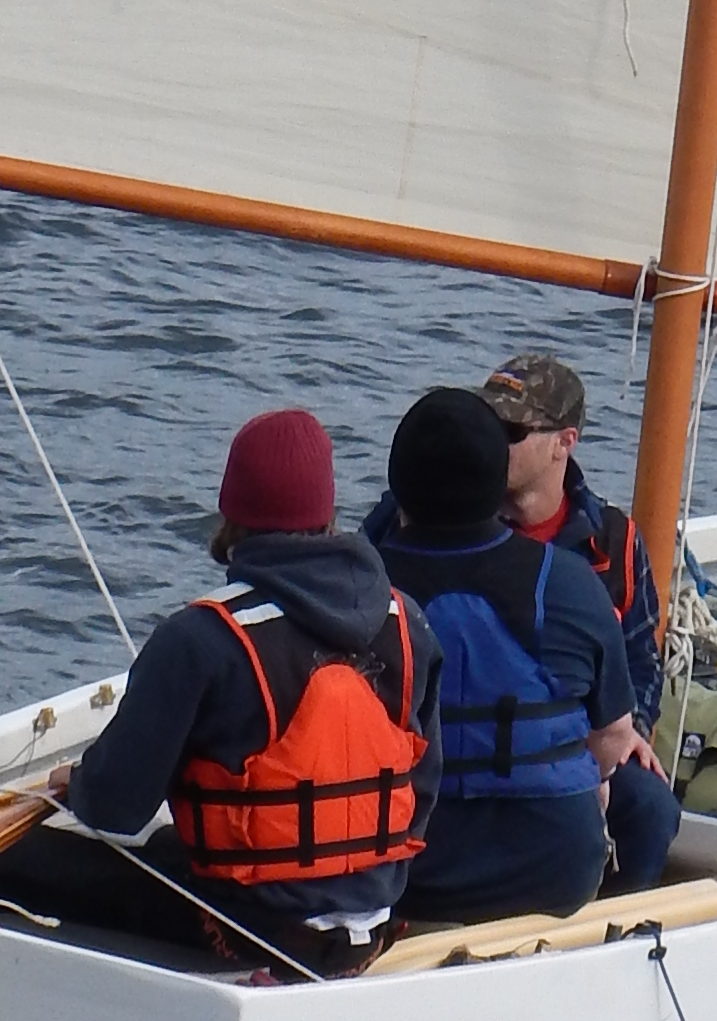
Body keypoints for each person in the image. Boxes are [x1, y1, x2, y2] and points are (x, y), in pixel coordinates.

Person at [34, 407, 438, 960]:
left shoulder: (200, 638)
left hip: (249, 931)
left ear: (232, 512)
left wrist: (77, 783)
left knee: (13, 866)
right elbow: (424, 790)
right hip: (369, 926)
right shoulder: (407, 620)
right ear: (328, 511)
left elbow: (115, 809)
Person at [370, 386, 641, 928]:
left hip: (401, 875)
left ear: (398, 485)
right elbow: (613, 740)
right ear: (499, 481)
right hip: (552, 872)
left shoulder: (358, 588)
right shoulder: (567, 582)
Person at [485, 350, 681, 894]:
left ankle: (611, 939)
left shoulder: (615, 542)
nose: (490, 441)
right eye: (483, 424)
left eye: (509, 429)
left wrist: (629, 734)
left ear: (563, 443)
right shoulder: (447, 522)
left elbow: (641, 656)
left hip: (581, 746)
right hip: (476, 739)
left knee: (651, 810)